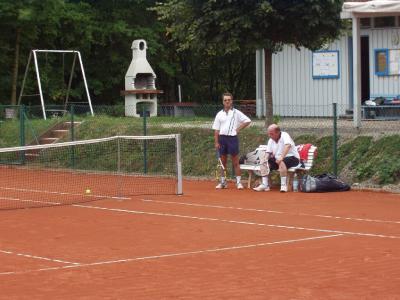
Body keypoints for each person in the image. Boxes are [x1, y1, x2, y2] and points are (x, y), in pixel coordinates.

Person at [213, 92, 251, 190]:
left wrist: (237, 129)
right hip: (222, 139)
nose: (227, 102)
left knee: (235, 162)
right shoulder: (219, 114)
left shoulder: (236, 112)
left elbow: (247, 121)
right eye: (225, 100)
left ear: (231, 101)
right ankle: (223, 183)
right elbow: (216, 130)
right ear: (223, 102)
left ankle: (238, 183)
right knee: (223, 162)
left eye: (229, 100)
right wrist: (216, 142)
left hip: (232, 139)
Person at [253, 124, 300, 192]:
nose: (269, 135)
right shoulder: (271, 140)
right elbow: (268, 152)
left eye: (271, 134)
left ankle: (283, 186)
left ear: (278, 132)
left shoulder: (285, 135)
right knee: (263, 162)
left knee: (281, 161)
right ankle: (265, 185)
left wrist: (281, 157)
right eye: (269, 134)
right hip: (278, 158)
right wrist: (265, 159)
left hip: (292, 158)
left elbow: (288, 146)